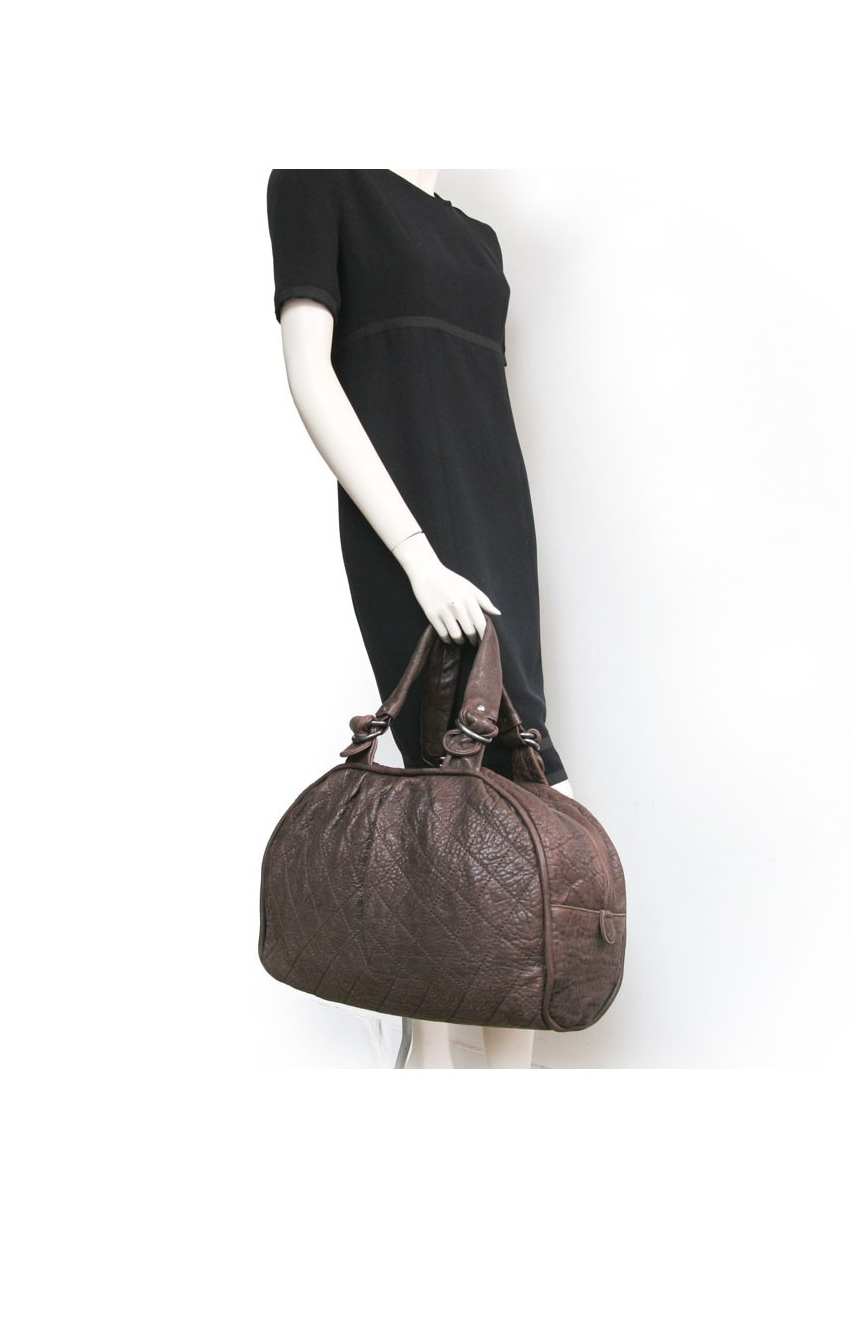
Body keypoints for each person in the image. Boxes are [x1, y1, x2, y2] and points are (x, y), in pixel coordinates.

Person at [266, 169, 573, 1069]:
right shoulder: (322, 177)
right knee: (442, 772)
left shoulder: (478, 237)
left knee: (516, 781)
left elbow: (477, 400)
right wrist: (414, 552)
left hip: (497, 514)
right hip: (409, 519)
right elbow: (310, 373)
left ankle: (493, 1069)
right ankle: (428, 1058)